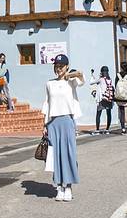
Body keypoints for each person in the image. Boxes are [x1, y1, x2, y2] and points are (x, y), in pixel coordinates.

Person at [42, 54, 84, 202]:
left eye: (61, 66)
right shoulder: (49, 83)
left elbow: (81, 76)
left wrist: (68, 75)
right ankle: (59, 186)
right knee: (56, 155)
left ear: (66, 66)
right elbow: (47, 104)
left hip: (67, 120)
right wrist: (44, 124)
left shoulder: (71, 81)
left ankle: (68, 187)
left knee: (69, 153)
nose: (58, 68)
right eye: (56, 66)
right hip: (53, 122)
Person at [90, 66, 114, 135]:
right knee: (108, 114)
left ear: (102, 72)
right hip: (109, 98)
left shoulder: (101, 79)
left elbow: (91, 83)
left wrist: (92, 75)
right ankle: (107, 129)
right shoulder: (110, 79)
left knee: (98, 114)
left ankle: (97, 130)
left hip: (102, 99)